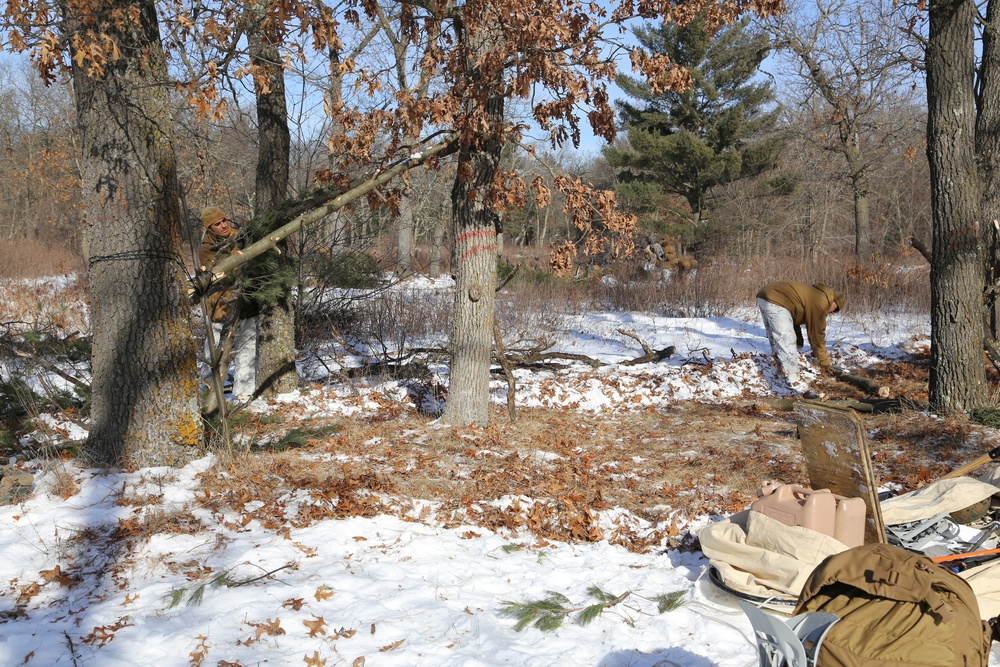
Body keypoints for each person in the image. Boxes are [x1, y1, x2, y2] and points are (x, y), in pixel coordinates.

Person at [198, 205, 258, 402]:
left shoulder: (242, 237)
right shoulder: (206, 249)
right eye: (217, 224)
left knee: (247, 351)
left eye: (224, 220)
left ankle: (244, 394)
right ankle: (205, 394)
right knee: (213, 354)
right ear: (209, 228)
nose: (223, 225)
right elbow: (223, 275)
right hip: (220, 308)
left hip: (247, 304)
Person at [756, 281, 845, 386]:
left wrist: (798, 344)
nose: (833, 313)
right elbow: (816, 334)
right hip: (775, 298)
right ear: (834, 301)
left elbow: (793, 319)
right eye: (836, 309)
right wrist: (824, 361)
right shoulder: (821, 301)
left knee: (776, 337)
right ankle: (792, 378)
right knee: (786, 338)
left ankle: (778, 368)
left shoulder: (815, 295)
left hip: (765, 295)